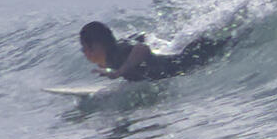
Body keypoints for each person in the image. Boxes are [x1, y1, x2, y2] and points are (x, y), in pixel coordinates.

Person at [78, 17, 240, 85]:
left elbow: (142, 49)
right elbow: (141, 37)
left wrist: (120, 72)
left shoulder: (118, 55)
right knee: (235, 38)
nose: (84, 53)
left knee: (239, 40)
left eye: (84, 48)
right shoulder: (117, 51)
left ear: (96, 45)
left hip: (188, 61)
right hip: (186, 56)